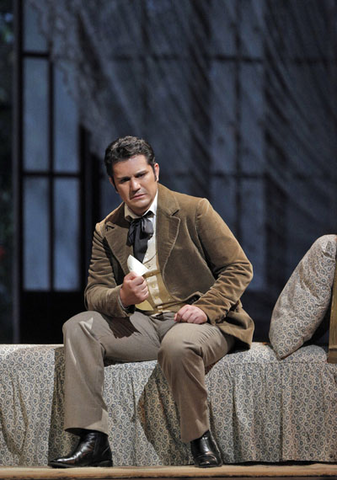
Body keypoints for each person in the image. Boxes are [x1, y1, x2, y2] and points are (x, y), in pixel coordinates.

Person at [49, 135, 254, 469]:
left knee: (178, 347)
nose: (135, 186)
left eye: (141, 175)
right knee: (78, 326)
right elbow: (94, 293)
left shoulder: (194, 210)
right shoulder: (107, 228)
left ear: (155, 171)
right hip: (143, 324)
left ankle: (199, 437)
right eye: (125, 180)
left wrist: (205, 307)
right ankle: (93, 440)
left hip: (199, 322)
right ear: (114, 184)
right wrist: (121, 297)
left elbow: (238, 268)